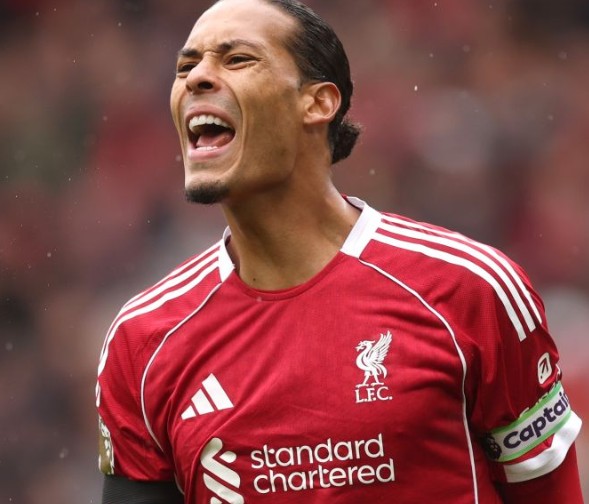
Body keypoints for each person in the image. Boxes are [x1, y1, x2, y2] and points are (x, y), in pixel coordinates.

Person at [95, 0, 584, 502]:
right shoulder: (143, 339)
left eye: (237, 59)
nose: (197, 77)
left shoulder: (470, 290)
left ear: (318, 102)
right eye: (185, 67)